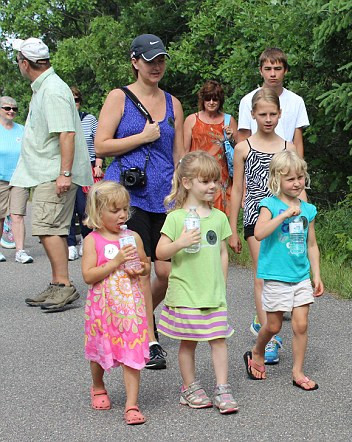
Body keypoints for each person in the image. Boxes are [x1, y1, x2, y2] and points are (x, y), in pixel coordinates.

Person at [96, 34, 184, 370]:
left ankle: (143, 317)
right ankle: (149, 340)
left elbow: (178, 154)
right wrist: (142, 137)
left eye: (161, 60)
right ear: (135, 62)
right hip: (127, 200)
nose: (156, 66)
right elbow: (101, 145)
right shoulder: (119, 97)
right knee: (140, 269)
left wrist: (182, 191)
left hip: (164, 197)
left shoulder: (173, 103)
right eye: (149, 61)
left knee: (166, 271)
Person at [12, 38, 93, 312]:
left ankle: (64, 285)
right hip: (46, 171)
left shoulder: (53, 90)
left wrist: (64, 173)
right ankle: (57, 283)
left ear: (25, 63)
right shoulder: (45, 87)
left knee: (49, 229)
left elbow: (66, 133)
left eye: (18, 61)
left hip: (54, 172)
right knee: (51, 229)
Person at [155, 151, 238, 414]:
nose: (212, 186)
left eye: (215, 180)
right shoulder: (176, 218)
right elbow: (160, 252)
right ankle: (189, 387)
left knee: (218, 339)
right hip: (186, 292)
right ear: (187, 183)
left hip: (212, 293)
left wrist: (222, 283)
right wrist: (180, 243)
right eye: (205, 181)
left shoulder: (219, 217)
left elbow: (223, 252)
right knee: (188, 342)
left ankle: (222, 388)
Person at [229, 88, 302, 364]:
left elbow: (298, 184)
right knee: (262, 275)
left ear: (280, 114)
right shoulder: (243, 148)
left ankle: (265, 322)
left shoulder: (287, 147)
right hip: (255, 216)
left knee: (280, 275)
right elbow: (237, 189)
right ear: (253, 115)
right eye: (263, 114)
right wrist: (232, 228)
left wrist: (306, 215)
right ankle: (269, 336)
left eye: (273, 114)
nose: (268, 119)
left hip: (285, 219)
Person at [243, 150, 323, 390]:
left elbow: (312, 244)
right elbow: (259, 233)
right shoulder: (270, 205)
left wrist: (316, 275)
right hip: (276, 275)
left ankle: (298, 371)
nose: (297, 183)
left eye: (300, 177)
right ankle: (257, 352)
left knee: (301, 324)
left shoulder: (308, 210)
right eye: (290, 179)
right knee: (275, 325)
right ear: (277, 180)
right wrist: (284, 215)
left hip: (300, 275)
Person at [81, 180, 150, 425]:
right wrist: (115, 262)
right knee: (100, 350)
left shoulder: (133, 236)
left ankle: (132, 404)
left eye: (124, 209)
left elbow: (145, 265)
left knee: (131, 351)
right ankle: (98, 385)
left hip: (130, 308)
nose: (122, 215)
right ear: (98, 212)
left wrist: (139, 268)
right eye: (115, 210)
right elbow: (88, 275)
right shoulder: (93, 240)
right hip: (103, 310)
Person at [236, 48, 309, 157]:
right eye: (268, 69)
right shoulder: (248, 101)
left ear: (285, 70)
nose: (273, 74)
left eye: (278, 69)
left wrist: (300, 170)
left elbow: (298, 142)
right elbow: (243, 140)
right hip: (257, 163)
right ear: (261, 70)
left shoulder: (296, 101)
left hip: (287, 163)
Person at [183, 80, 237, 214]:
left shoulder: (229, 121)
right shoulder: (191, 120)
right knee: (197, 214)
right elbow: (184, 152)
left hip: (221, 177)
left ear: (220, 101)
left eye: (215, 99)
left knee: (220, 216)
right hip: (197, 175)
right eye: (208, 98)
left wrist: (231, 139)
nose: (211, 102)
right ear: (203, 100)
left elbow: (239, 151)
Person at [67, 86, 102, 260]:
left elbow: (99, 143)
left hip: (87, 166)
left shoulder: (89, 119)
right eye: (70, 100)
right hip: (67, 167)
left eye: (76, 100)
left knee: (85, 207)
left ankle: (87, 241)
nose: (74, 104)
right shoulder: (62, 120)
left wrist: (99, 163)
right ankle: (70, 244)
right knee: (68, 208)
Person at [0, 95, 33, 264]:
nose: (11, 111)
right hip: (1, 179)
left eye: (14, 109)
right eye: (7, 108)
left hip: (20, 178)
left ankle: (20, 251)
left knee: (17, 214)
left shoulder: (22, 129)